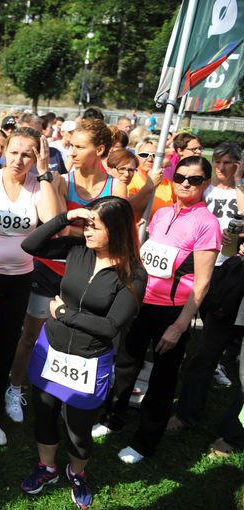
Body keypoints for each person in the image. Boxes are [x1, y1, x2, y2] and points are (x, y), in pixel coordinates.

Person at [19, 196, 147, 509]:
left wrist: (64, 313)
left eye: (94, 227)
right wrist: (65, 218)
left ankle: (77, 472)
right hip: (51, 350)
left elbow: (110, 326)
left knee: (78, 429)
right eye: (86, 224)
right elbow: (30, 245)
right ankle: (47, 467)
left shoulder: (133, 274)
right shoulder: (77, 248)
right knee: (44, 413)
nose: (86, 231)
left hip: (88, 361)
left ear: (116, 230)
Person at [95, 156, 220, 464]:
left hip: (172, 312)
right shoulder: (162, 213)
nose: (185, 184)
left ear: (206, 183)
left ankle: (145, 442)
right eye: (180, 177)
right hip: (141, 303)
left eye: (194, 179)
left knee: (162, 380)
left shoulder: (207, 224)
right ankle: (112, 418)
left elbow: (202, 283)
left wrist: (179, 325)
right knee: (126, 365)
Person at [7, 119, 124, 423]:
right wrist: (79, 228)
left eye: (79, 147)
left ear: (100, 150)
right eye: (70, 146)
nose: (71, 152)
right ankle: (15, 388)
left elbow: (114, 231)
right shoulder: (60, 180)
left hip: (88, 277)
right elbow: (53, 224)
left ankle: (69, 396)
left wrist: (72, 227)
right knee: (31, 335)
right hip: (48, 271)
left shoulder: (116, 186)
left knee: (80, 338)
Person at [0, 127, 64, 445]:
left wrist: (45, 173)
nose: (18, 160)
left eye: (27, 155)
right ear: (4, 151)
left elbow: (52, 220)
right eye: (14, 152)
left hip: (19, 279)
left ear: (37, 157)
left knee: (4, 347)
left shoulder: (39, 185)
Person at [169, 143, 243, 432]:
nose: (224, 167)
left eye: (230, 162)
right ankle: (183, 409)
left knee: (216, 348)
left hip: (233, 271)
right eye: (219, 162)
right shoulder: (204, 188)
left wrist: (239, 183)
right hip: (205, 270)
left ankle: (206, 419)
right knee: (201, 344)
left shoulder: (240, 191)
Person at [127, 137, 174, 221]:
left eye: (155, 156)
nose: (150, 159)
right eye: (144, 155)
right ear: (136, 157)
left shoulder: (167, 182)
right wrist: (150, 186)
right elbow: (130, 208)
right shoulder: (129, 180)